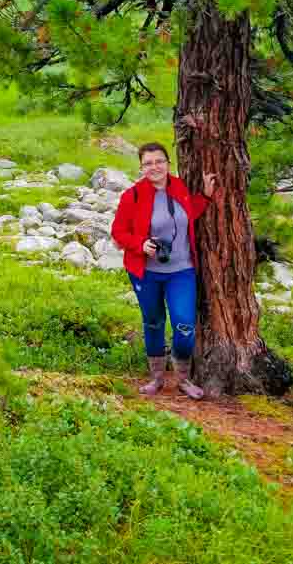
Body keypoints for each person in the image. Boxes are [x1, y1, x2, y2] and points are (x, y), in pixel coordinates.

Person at [111, 142, 215, 399]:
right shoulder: (132, 196)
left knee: (184, 325)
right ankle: (157, 379)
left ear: (168, 164)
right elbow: (118, 232)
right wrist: (139, 244)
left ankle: (182, 379)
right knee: (154, 322)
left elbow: (189, 214)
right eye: (148, 163)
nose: (154, 167)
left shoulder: (179, 186)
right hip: (146, 272)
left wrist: (206, 196)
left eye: (159, 161)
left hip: (182, 270)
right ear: (141, 167)